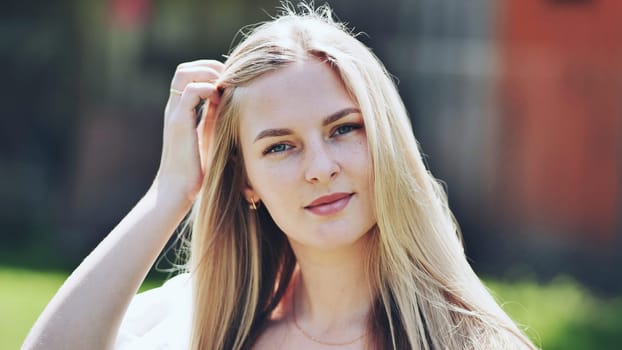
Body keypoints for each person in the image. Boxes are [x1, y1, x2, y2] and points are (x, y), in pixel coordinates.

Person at [23, 3, 537, 350]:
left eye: (343, 129)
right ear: (246, 180)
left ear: (385, 137)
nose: (321, 168)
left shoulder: (470, 341)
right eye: (280, 146)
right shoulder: (198, 321)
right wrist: (169, 194)